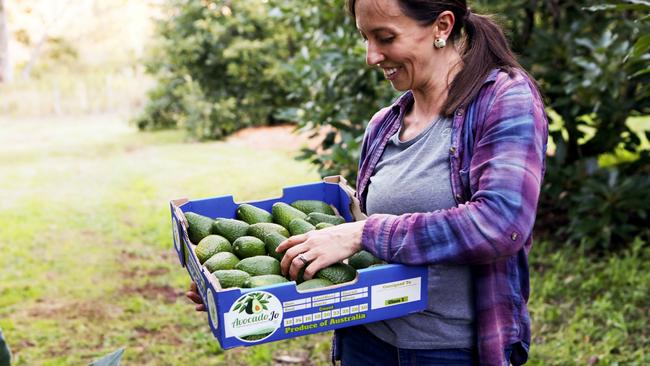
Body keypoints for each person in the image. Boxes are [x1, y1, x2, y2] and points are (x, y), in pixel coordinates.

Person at [189, 0, 547, 364]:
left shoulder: (503, 99)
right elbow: (346, 254)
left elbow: (501, 225)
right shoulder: (385, 124)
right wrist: (234, 290)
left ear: (442, 26)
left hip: (449, 350)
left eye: (385, 37)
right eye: (365, 38)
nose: (371, 56)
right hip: (367, 339)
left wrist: (364, 233)